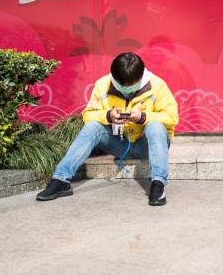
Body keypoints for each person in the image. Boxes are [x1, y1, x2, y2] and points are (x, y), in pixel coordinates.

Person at [36, 52, 179, 205]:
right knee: (92, 127)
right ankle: (60, 180)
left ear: (141, 76)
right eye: (121, 85)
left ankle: (158, 184)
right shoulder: (102, 84)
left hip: (147, 146)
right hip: (120, 144)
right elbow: (87, 116)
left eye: (130, 85)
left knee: (156, 126)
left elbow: (172, 118)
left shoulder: (158, 85)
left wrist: (143, 117)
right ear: (114, 77)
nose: (125, 89)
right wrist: (109, 115)